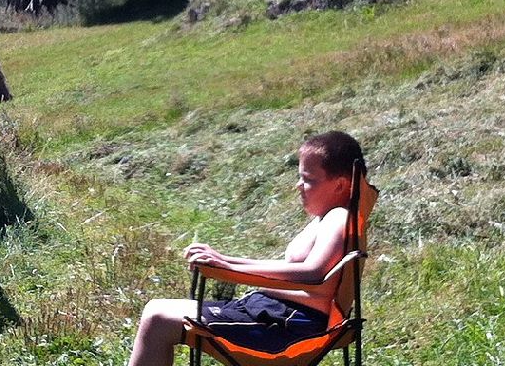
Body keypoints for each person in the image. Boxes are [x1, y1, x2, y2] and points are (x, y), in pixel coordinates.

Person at [128, 131, 367, 366]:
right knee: (155, 309)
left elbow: (314, 273)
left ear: (340, 184)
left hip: (287, 326)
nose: (299, 186)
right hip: (275, 315)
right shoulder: (329, 218)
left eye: (308, 179)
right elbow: (300, 270)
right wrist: (225, 260)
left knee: (158, 319)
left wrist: (229, 268)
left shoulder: (339, 217)